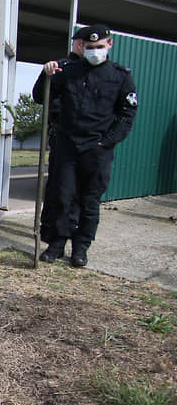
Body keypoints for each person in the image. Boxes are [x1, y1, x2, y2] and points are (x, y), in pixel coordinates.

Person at [32, 25, 137, 267]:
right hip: (67, 146)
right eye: (90, 48)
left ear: (109, 44)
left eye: (99, 47)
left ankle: (81, 248)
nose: (94, 51)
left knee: (89, 200)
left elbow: (127, 114)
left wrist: (107, 142)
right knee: (62, 195)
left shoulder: (121, 76)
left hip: (97, 149)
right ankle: (56, 244)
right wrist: (46, 74)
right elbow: (40, 96)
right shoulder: (68, 71)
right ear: (83, 47)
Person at [39, 27, 88, 246]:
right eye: (81, 43)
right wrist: (46, 75)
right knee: (58, 187)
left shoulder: (104, 72)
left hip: (90, 141)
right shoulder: (60, 67)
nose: (85, 47)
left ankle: (76, 237)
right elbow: (40, 96)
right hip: (62, 137)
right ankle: (50, 232)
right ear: (76, 44)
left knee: (83, 190)